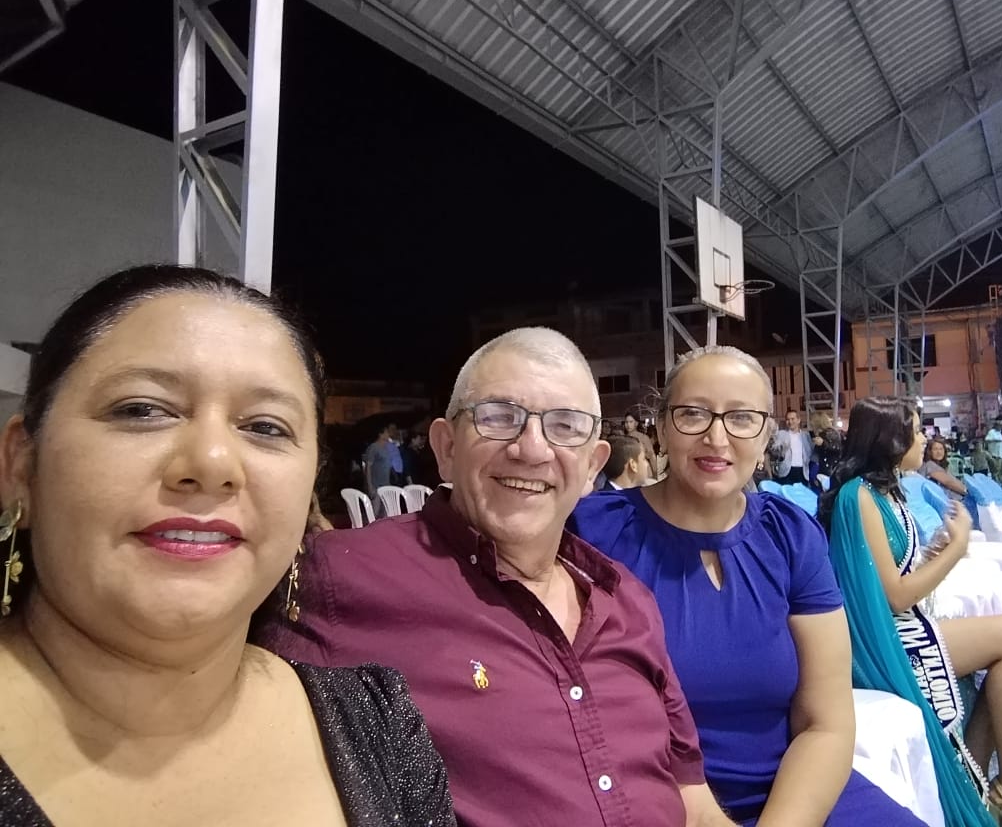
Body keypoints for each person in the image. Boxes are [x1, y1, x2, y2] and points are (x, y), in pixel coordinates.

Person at [0, 266, 455, 826]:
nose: (213, 463)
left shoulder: (379, 731)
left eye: (266, 427)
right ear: (21, 463)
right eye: (143, 409)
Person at [257, 327, 738, 827]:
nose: (531, 449)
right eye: (499, 417)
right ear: (446, 447)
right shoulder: (338, 576)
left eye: (565, 426)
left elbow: (695, 805)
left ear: (592, 467)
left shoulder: (628, 601)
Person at [571, 348, 927, 827]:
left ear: (765, 436)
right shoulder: (593, 533)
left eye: (741, 418)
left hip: (797, 790)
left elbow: (826, 723)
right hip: (654, 800)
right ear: (661, 427)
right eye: (693, 413)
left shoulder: (790, 536)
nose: (716, 437)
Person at [821, 397, 1002, 827]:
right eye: (915, 430)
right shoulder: (860, 497)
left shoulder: (885, 492)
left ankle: (982, 780)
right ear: (890, 439)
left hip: (902, 624)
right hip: (887, 639)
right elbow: (895, 597)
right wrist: (957, 548)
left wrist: (932, 554)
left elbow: (889, 574)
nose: (924, 438)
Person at [917, 439, 977, 520]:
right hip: (952, 505)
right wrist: (968, 491)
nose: (939, 452)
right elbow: (948, 482)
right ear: (929, 451)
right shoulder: (929, 465)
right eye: (935, 449)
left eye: (941, 449)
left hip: (952, 503)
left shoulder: (939, 466)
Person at [771, 410, 813, 485]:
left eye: (792, 419)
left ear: (798, 420)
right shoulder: (781, 434)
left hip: (802, 472)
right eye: (788, 419)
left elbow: (810, 451)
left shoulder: (806, 435)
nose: (790, 422)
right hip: (786, 471)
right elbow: (774, 450)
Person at [363, 422, 403, 492]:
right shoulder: (374, 447)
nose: (388, 434)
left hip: (386, 485)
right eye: (386, 432)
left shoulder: (386, 448)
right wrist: (370, 486)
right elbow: (368, 467)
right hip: (376, 486)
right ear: (380, 434)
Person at [623, 409, 658, 477]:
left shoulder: (643, 437)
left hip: (643, 469)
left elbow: (652, 456)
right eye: (626, 422)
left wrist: (655, 472)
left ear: (636, 423)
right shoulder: (623, 438)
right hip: (629, 471)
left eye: (631, 422)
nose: (628, 424)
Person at [809, 411, 843, 484]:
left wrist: (823, 443)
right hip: (828, 469)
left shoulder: (830, 433)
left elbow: (838, 448)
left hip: (829, 470)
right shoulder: (827, 433)